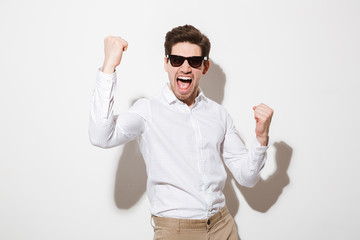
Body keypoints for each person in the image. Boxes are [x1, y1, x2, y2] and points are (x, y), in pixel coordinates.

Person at [89, 25, 273, 240]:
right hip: (176, 232)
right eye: (177, 60)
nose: (185, 68)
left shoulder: (219, 114)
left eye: (194, 62)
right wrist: (109, 65)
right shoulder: (147, 110)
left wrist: (261, 139)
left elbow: (247, 178)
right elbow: (100, 136)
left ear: (204, 67)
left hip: (223, 226)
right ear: (166, 63)